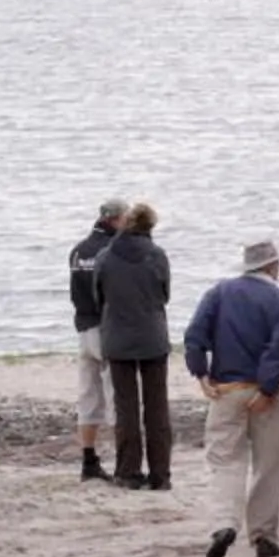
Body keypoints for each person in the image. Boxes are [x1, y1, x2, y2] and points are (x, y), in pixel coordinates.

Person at [184, 240, 279, 557]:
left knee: (224, 460)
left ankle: (224, 522)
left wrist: (201, 373)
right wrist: (266, 388)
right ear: (272, 266)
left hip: (227, 388)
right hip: (265, 393)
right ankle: (263, 532)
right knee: (268, 464)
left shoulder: (219, 293)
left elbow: (195, 334)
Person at [94, 201, 175, 490]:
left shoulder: (105, 256)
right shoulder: (157, 256)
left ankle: (128, 471)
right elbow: (164, 294)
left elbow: (98, 295)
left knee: (125, 407)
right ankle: (160, 474)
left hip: (117, 337)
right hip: (152, 336)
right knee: (157, 407)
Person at [66, 195, 126, 481]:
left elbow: (75, 292)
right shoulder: (112, 250)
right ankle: (124, 461)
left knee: (88, 395)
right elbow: (113, 292)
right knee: (118, 396)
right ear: (115, 219)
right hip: (106, 328)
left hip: (84, 328)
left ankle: (88, 460)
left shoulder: (78, 251)